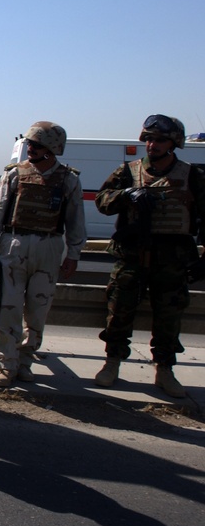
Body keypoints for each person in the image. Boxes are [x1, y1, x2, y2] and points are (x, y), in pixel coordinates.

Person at [92, 114, 205, 398]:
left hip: (172, 260)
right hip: (132, 255)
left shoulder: (192, 175)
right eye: (149, 139)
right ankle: (112, 363)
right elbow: (102, 201)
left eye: (159, 140)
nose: (152, 145)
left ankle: (164, 370)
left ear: (174, 143)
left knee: (169, 318)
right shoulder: (128, 171)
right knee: (119, 313)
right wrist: (127, 195)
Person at [0, 121, 87, 387]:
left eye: (37, 145)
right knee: (9, 308)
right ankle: (7, 364)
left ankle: (25, 360)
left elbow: (76, 220)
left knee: (38, 310)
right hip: (15, 243)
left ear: (52, 149)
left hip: (49, 246)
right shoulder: (15, 174)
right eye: (29, 143)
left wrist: (73, 254)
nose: (30, 148)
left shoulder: (69, 179)